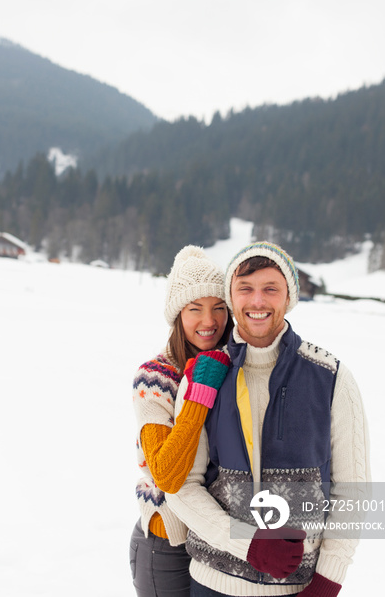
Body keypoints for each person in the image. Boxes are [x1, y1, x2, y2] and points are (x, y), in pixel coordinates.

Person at [167, 241, 371, 597]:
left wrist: (326, 582)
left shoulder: (331, 377)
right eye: (245, 289)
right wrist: (249, 545)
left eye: (270, 289)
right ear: (231, 298)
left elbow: (352, 492)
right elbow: (182, 487)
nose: (257, 301)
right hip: (213, 583)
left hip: (299, 588)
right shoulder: (203, 376)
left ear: (288, 297)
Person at [130, 245, 234, 597]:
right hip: (167, 540)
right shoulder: (154, 379)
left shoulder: (231, 365)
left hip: (218, 539)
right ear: (177, 314)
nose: (209, 321)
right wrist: (198, 393)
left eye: (219, 307)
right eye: (195, 309)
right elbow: (166, 474)